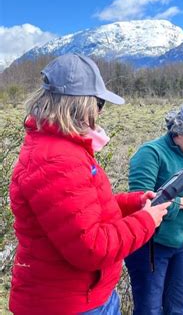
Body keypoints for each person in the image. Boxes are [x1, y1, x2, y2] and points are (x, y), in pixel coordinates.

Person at [8, 54, 170, 314]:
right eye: (99, 102)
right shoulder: (58, 161)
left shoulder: (62, 150)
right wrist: (147, 221)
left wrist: (135, 202)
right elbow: (91, 247)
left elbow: (82, 211)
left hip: (84, 297)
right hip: (69, 304)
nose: (99, 112)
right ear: (80, 104)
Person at [125, 102, 183, 314]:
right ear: (181, 129)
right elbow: (140, 202)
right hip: (151, 247)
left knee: (178, 309)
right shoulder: (151, 153)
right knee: (149, 310)